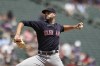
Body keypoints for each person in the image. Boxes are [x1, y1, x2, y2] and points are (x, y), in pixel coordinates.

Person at [14, 8, 83, 66]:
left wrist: (74, 26)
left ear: (54, 14)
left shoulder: (58, 26)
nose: (46, 14)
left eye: (48, 13)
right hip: (40, 57)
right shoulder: (40, 24)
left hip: (54, 57)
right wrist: (17, 34)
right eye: (45, 13)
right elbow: (22, 22)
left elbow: (63, 27)